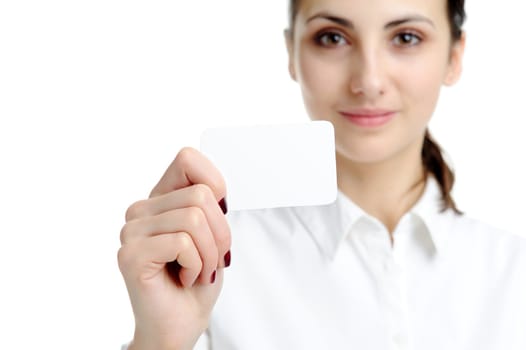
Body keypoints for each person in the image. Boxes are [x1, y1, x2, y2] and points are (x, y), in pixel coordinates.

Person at [118, 0, 526, 348]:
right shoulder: (211, 260)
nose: (368, 81)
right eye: (332, 37)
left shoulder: (512, 274)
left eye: (405, 38)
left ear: (454, 57)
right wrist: (160, 341)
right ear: (291, 53)